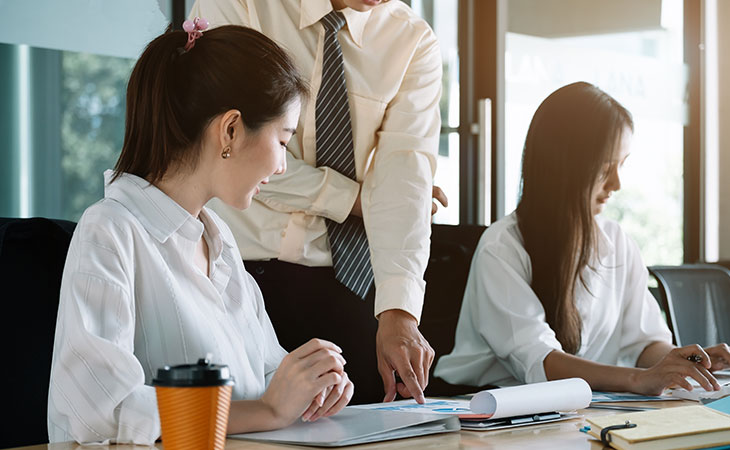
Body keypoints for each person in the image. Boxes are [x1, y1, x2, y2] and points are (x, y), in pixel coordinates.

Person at [47, 22, 353, 445]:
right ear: (230, 130)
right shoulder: (110, 232)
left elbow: (264, 374)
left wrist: (311, 383)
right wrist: (267, 410)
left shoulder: (219, 241)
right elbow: (100, 411)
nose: (282, 165)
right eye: (282, 141)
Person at [188, 0, 445, 404]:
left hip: (351, 281)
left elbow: (405, 178)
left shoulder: (411, 40)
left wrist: (400, 312)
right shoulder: (242, 5)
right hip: (235, 275)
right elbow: (232, 150)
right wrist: (360, 198)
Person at [434, 82, 730, 395]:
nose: (616, 183)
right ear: (565, 166)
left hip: (579, 407)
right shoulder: (502, 247)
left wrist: (687, 363)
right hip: (483, 408)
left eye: (622, 164)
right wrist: (637, 380)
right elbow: (540, 361)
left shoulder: (617, 242)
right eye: (605, 168)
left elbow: (643, 342)